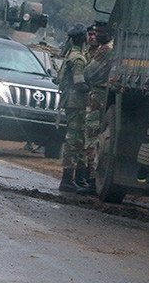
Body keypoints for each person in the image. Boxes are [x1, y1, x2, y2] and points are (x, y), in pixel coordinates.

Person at [57, 23, 92, 194]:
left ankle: (77, 178)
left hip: (72, 102)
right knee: (74, 141)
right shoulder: (78, 58)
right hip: (76, 102)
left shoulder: (73, 54)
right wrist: (92, 88)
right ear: (82, 38)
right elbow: (79, 83)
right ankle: (67, 179)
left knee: (79, 141)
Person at [82, 24, 114, 191]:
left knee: (92, 139)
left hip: (98, 97)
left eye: (101, 32)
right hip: (102, 96)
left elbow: (89, 73)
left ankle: (93, 181)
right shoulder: (109, 48)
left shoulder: (105, 50)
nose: (97, 35)